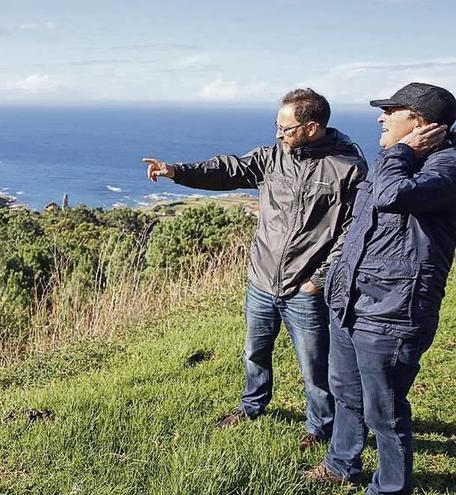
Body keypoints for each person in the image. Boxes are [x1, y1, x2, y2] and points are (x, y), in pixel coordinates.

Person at [144, 89, 367, 450]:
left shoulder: (347, 167)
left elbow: (352, 231)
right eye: (277, 126)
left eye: (286, 128)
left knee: (315, 368)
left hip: (305, 288)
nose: (279, 134)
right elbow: (227, 170)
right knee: (254, 353)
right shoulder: (274, 156)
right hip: (262, 281)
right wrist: (175, 172)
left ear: (312, 127)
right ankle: (252, 406)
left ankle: (320, 427)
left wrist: (318, 280)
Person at [307, 82, 456, 494]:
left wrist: (401, 153)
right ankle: (341, 463)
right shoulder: (398, 160)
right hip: (351, 300)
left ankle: (390, 487)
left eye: (392, 110)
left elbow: (392, 197)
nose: (381, 116)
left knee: (385, 411)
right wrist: (332, 278)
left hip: (393, 310)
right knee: (345, 391)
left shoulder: (446, 167)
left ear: (420, 123)